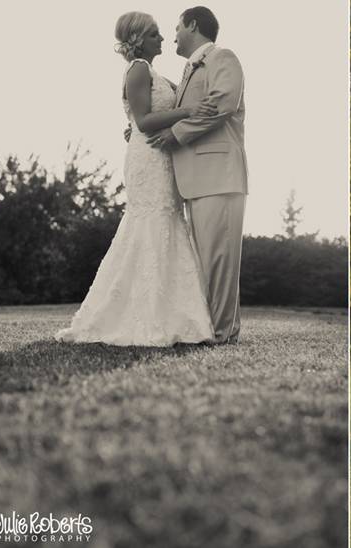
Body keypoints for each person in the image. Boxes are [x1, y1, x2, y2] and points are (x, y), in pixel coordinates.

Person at [55, 11, 217, 346]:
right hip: (149, 158)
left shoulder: (153, 72)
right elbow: (144, 121)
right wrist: (188, 111)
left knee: (166, 224)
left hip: (161, 156)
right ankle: (142, 316)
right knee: (149, 224)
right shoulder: (138, 69)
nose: (162, 38)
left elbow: (142, 118)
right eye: (155, 33)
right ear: (139, 39)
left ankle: (175, 314)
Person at [146, 6, 248, 345]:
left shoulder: (223, 57)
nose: (172, 34)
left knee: (219, 260)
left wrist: (176, 134)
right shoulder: (188, 71)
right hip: (194, 178)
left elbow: (222, 104)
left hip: (219, 174)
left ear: (192, 24)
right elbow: (175, 109)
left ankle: (222, 333)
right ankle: (209, 328)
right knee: (203, 262)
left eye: (176, 26)